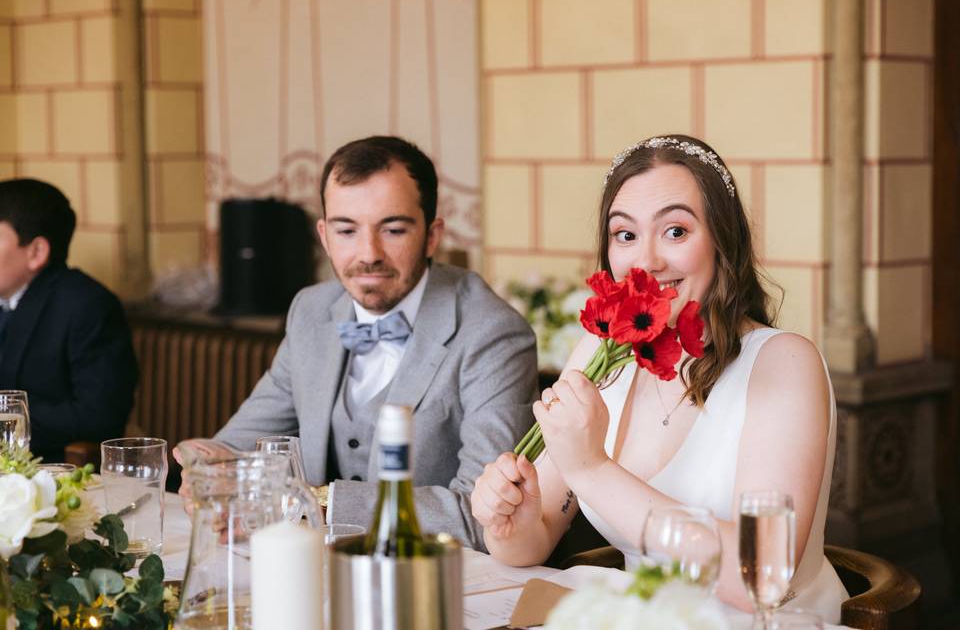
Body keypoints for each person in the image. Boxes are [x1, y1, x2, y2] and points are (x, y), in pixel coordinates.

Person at [470, 134, 847, 622]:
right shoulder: (600, 355)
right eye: (625, 235)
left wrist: (592, 470)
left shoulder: (783, 363)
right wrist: (509, 521)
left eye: (675, 231)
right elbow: (535, 538)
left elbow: (761, 575)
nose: (646, 261)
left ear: (722, 240)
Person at [179, 136, 537, 550]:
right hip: (313, 570)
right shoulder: (312, 311)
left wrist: (318, 504)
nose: (369, 253)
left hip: (433, 582)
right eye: (346, 230)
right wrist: (204, 462)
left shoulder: (492, 333)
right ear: (325, 235)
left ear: (433, 235)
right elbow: (237, 444)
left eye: (394, 229)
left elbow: (486, 517)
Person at [0, 178, 137, 462]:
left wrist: (8, 415)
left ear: (36, 252)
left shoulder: (89, 306)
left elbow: (98, 417)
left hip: (48, 471)